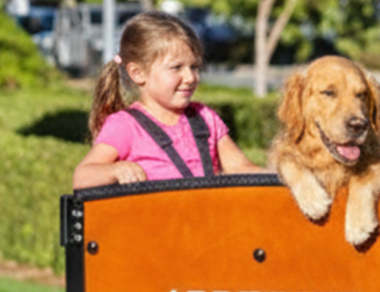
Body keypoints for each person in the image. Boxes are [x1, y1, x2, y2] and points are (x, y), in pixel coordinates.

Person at [73, 12, 259, 189]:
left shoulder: (205, 117)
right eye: (176, 67)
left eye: (194, 67)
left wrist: (275, 175)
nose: (190, 77)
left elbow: (240, 168)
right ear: (138, 73)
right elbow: (82, 177)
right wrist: (115, 170)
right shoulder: (125, 125)